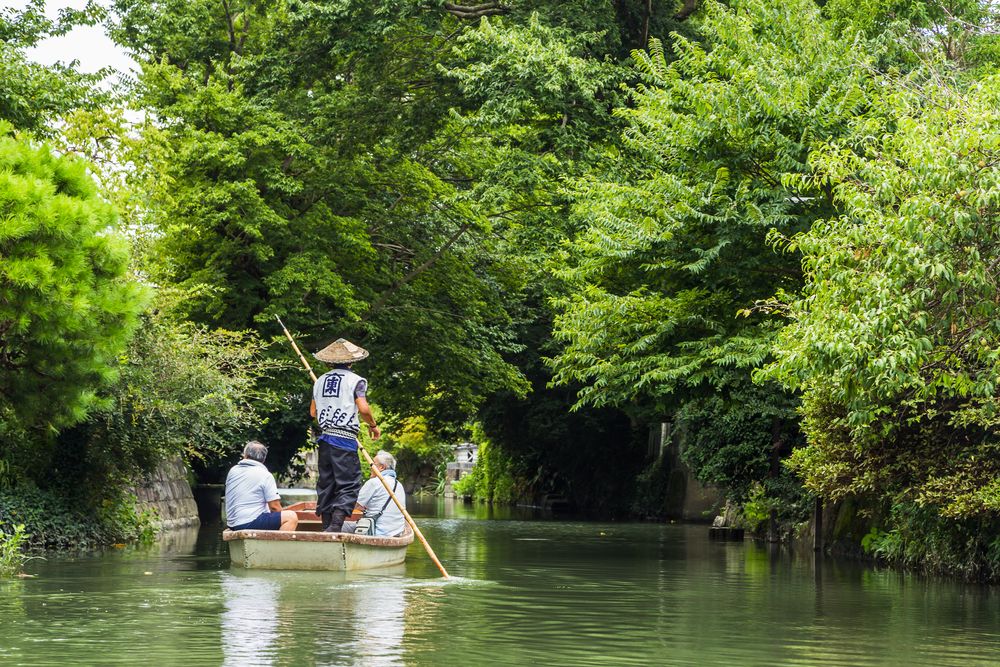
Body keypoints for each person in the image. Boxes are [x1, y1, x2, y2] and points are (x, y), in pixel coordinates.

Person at [310, 338, 381, 533]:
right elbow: (364, 409)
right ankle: (334, 527)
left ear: (329, 362)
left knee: (327, 483)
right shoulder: (356, 380)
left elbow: (313, 412)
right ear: (351, 362)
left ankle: (327, 526)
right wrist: (373, 426)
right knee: (349, 484)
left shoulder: (320, 382)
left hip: (324, 440)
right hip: (344, 439)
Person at [225, 441, 298, 531]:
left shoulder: (233, 471)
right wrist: (279, 520)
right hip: (248, 522)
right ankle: (278, 545)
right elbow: (274, 507)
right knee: (291, 517)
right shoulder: (265, 475)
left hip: (232, 524)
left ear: (245, 456)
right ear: (263, 460)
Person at [342, 450, 407, 538]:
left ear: (381, 467)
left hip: (376, 531)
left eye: (373, 464)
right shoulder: (399, 484)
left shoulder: (374, 482)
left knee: (337, 525)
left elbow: (355, 505)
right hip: (396, 532)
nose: (370, 467)